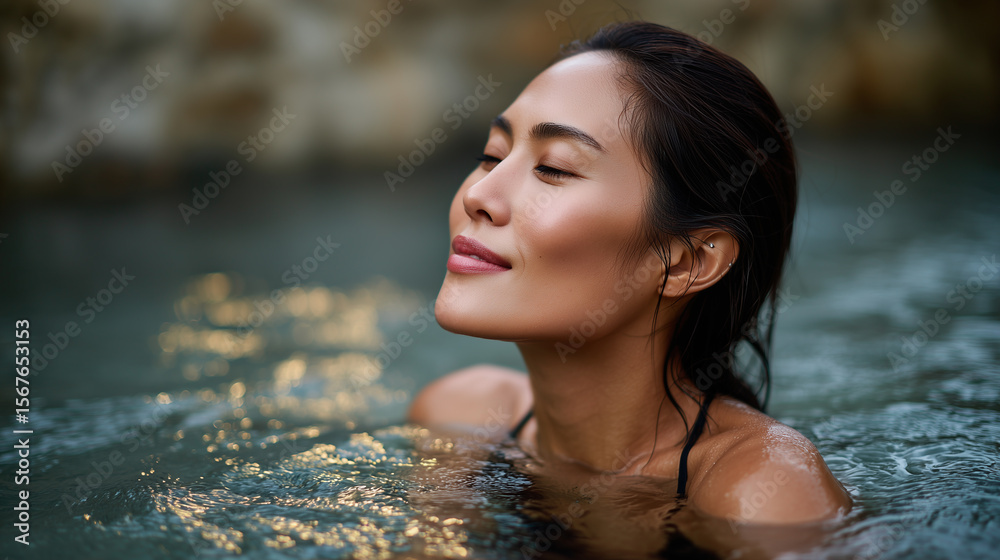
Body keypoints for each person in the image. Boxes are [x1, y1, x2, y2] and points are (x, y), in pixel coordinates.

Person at [408, 20, 851, 525]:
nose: (477, 195)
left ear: (686, 261)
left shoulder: (762, 491)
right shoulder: (457, 419)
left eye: (554, 168)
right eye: (492, 155)